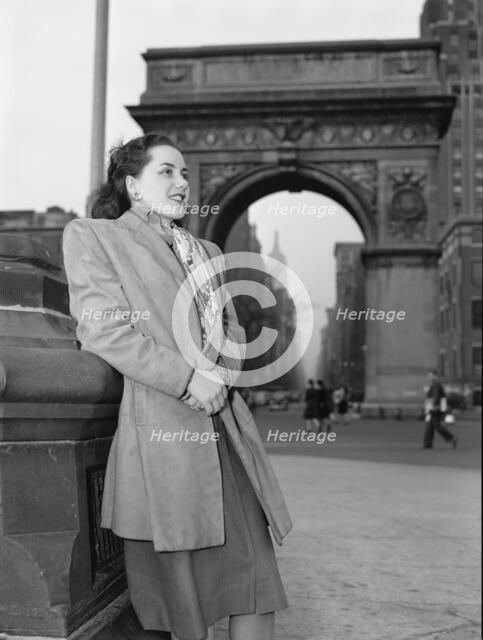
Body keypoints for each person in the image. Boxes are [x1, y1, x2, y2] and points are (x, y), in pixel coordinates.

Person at [62, 133, 292, 640]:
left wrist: (218, 374)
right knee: (180, 600)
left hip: (227, 437)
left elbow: (232, 329)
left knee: (255, 579)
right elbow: (102, 328)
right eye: (167, 171)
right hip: (162, 439)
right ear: (133, 185)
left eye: (185, 173)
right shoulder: (94, 237)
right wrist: (189, 379)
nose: (183, 182)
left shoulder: (205, 249)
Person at [422, 370, 458, 449]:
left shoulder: (436, 385)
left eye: (430, 376)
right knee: (430, 426)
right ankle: (428, 443)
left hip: (435, 408)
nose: (429, 378)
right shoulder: (435, 385)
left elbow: (436, 396)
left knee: (436, 425)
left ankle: (452, 438)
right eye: (428, 376)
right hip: (435, 407)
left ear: (435, 376)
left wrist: (434, 406)